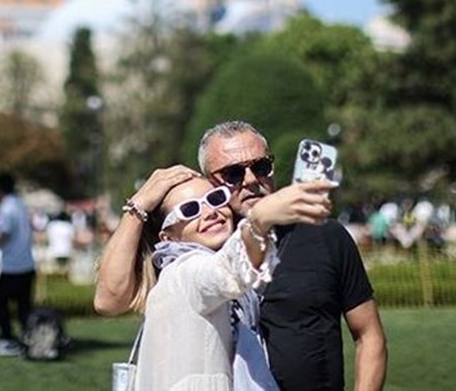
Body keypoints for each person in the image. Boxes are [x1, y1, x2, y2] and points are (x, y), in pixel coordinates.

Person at [96, 121, 387, 391]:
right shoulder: (197, 253)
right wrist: (138, 205)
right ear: (211, 181)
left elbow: (369, 334)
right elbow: (110, 300)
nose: (250, 180)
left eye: (261, 167)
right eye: (233, 173)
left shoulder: (325, 235)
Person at [0, 173, 35, 357]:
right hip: (27, 263)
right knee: (24, 307)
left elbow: (4, 233)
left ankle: (7, 340)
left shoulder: (6, 206)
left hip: (12, 266)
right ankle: (27, 340)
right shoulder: (20, 203)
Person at [45, 211, 75, 275]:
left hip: (52, 251)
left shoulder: (51, 225)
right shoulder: (69, 226)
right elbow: (73, 240)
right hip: (66, 251)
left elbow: (46, 238)